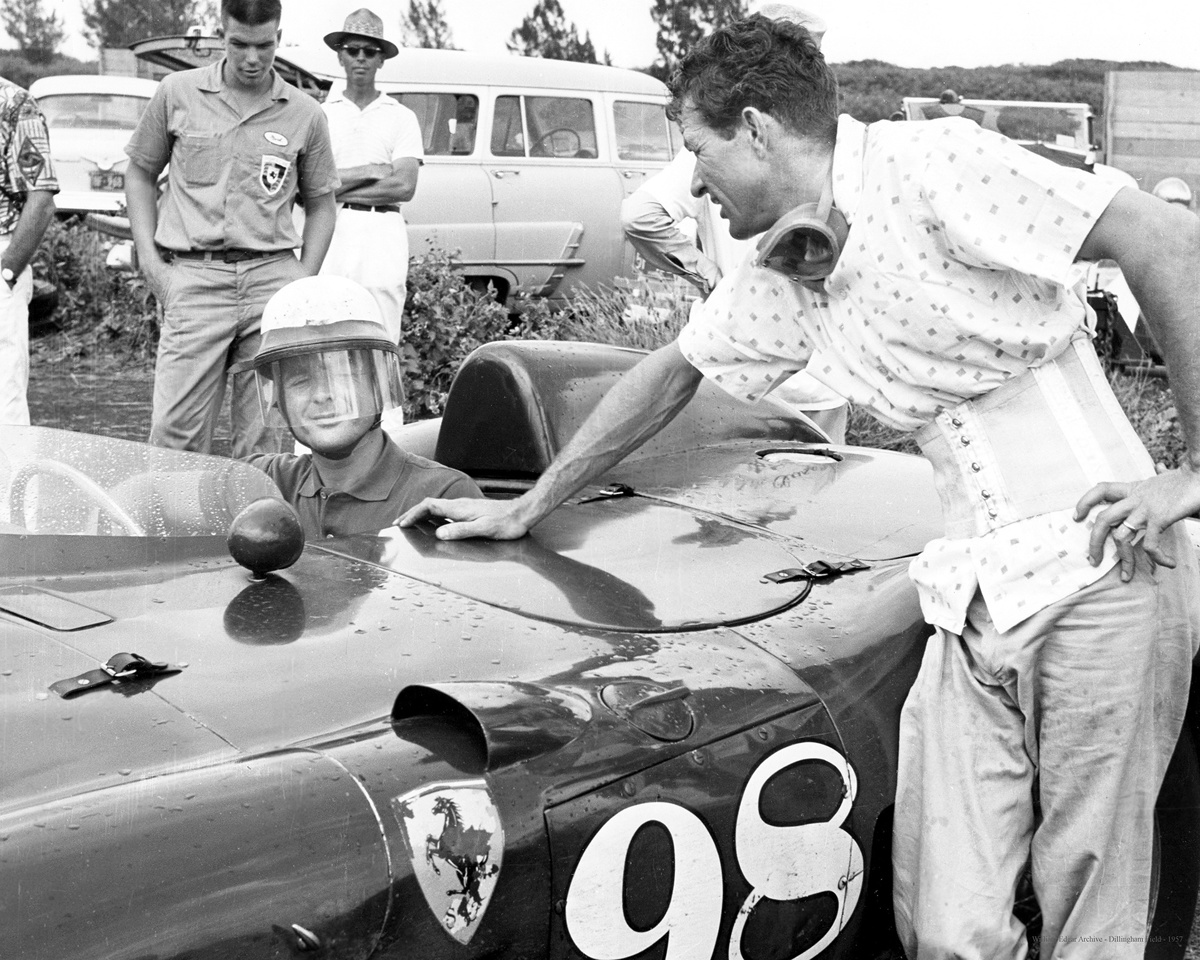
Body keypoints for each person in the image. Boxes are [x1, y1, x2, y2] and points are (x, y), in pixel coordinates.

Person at [401, 14, 1200, 958]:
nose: (692, 180)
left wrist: (1193, 471)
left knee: (1094, 906)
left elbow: (1164, 235)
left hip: (1101, 572)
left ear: (756, 129)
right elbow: (674, 371)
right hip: (974, 594)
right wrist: (529, 506)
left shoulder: (930, 164)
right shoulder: (783, 264)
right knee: (946, 927)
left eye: (697, 149)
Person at [619, 3, 847, 442]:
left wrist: (704, 272)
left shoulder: (713, 140)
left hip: (730, 362)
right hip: (816, 374)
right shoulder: (821, 146)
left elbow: (640, 214)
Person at [125, 0, 340, 458]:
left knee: (264, 439)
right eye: (239, 43)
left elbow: (322, 203)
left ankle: (256, 529)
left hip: (272, 285)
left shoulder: (304, 113)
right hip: (194, 283)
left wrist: (302, 279)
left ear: (279, 38)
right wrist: (151, 263)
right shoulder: (177, 93)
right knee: (174, 435)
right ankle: (175, 529)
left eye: (264, 45)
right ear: (221, 34)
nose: (251, 58)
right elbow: (140, 173)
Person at [245, 275, 480, 539]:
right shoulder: (265, 480)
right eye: (301, 380)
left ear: (379, 385)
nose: (322, 395)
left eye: (343, 375)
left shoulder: (442, 494)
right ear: (279, 399)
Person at [315, 8, 422, 436]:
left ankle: (386, 434)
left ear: (382, 59)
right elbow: (312, 188)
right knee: (327, 326)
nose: (360, 58)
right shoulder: (321, 114)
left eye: (369, 51)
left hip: (381, 232)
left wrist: (336, 185)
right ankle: (327, 432)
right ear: (340, 56)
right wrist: (371, 169)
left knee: (380, 331)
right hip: (331, 230)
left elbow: (404, 185)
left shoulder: (400, 116)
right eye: (352, 49)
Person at [0, 81, 57, 426]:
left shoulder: (15, 104)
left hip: (2, 252)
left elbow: (42, 199)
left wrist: (6, 274)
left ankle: (10, 482)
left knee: (2, 403)